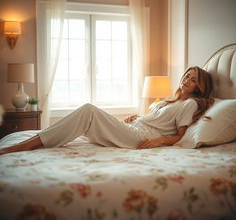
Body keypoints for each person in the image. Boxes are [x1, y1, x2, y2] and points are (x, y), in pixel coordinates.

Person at [0, 66, 214, 155]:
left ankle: (25, 146)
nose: (187, 80)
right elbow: (157, 119)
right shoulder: (169, 99)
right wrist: (138, 117)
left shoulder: (190, 104)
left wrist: (158, 141)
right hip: (134, 128)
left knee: (88, 111)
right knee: (83, 120)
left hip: (142, 138)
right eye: (187, 75)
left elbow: (180, 135)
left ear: (200, 87)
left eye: (193, 79)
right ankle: (34, 142)